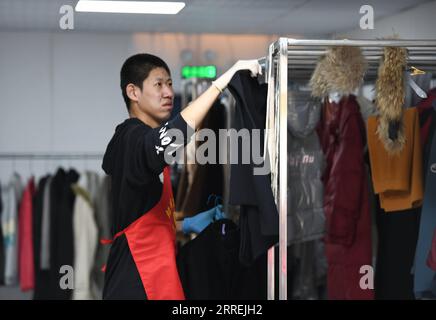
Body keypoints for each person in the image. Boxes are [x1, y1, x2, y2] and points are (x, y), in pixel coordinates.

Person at [101, 53, 261, 300]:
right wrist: (219, 85)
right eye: (158, 84)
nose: (168, 93)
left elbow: (139, 215)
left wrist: (185, 223)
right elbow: (170, 139)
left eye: (169, 84)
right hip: (137, 282)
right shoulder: (130, 139)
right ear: (133, 92)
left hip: (156, 275)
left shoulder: (140, 141)